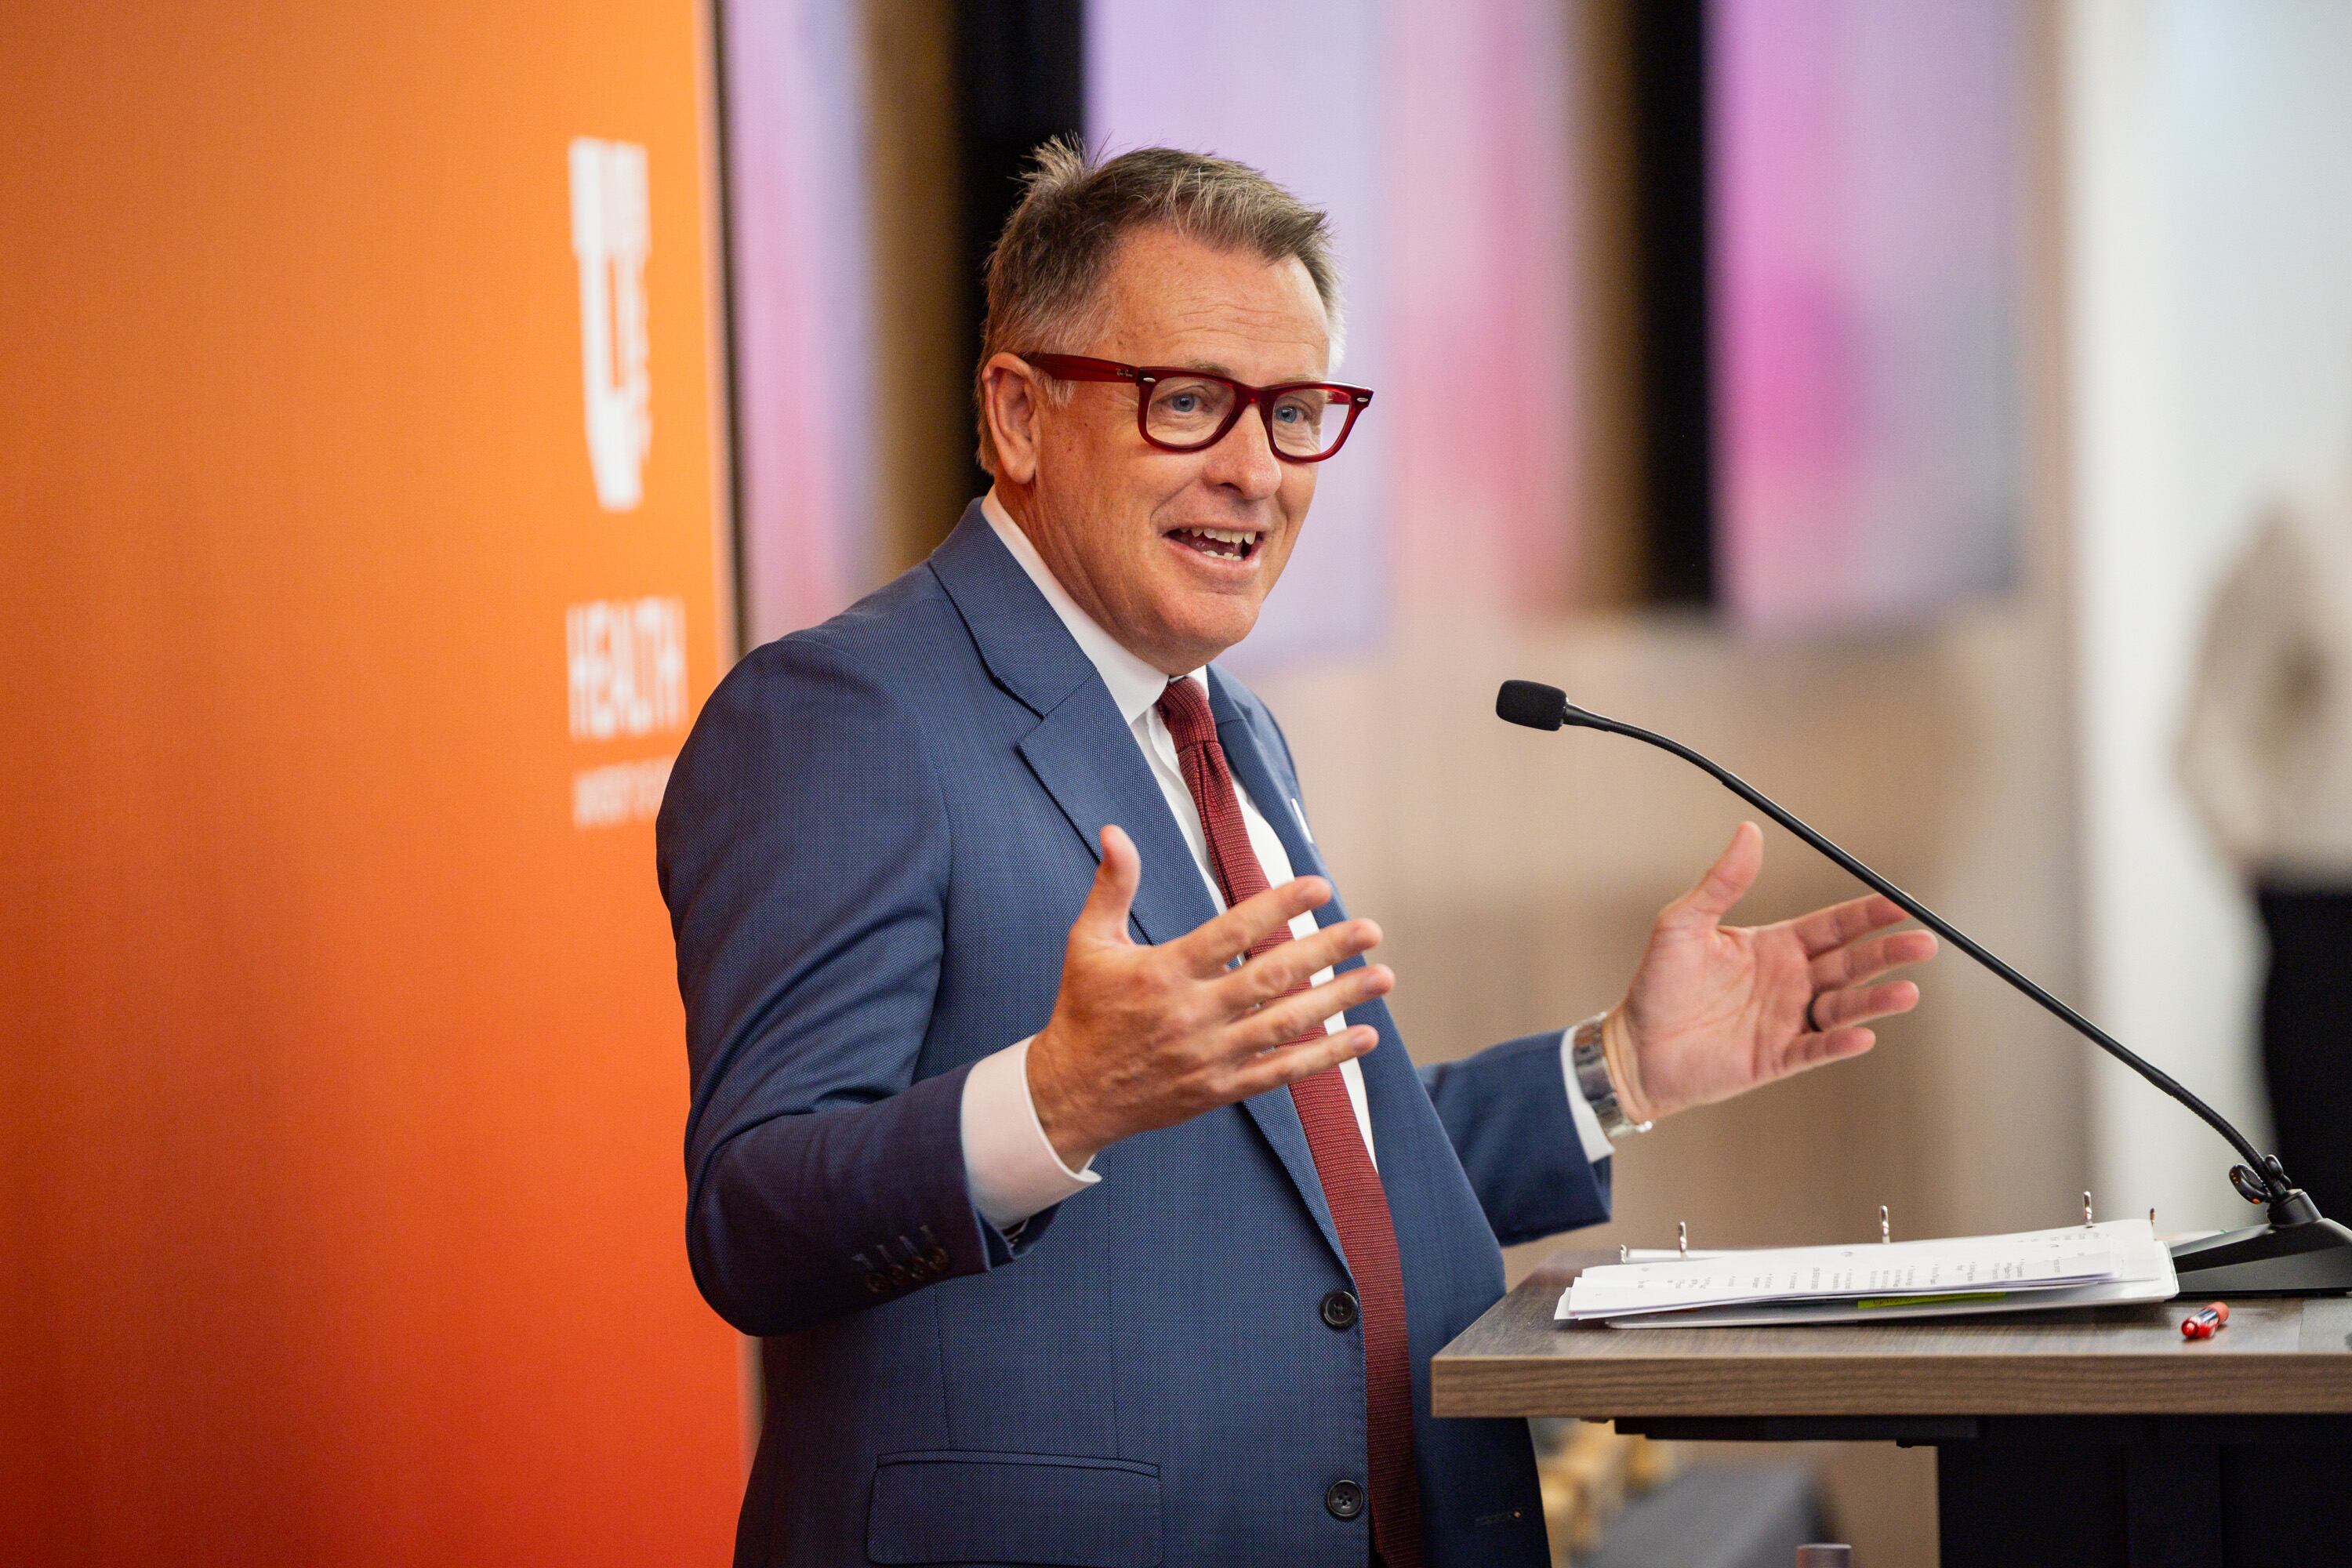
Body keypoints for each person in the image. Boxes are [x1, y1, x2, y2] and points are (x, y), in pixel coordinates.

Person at [656, 142, 1936, 1568]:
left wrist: (1617, 1069)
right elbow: (752, 1217)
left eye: (1298, 411)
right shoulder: (844, 715)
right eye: (1189, 401)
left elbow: (1291, 1165)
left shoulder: (1229, 726)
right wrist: (1054, 1101)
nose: (1257, 471)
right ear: (1017, 415)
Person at [2180, 471, 2352, 1224]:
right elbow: (2211, 727)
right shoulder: (2307, 526)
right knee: (2331, 1217)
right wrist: (2263, 872)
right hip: (2326, 919)